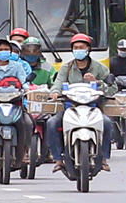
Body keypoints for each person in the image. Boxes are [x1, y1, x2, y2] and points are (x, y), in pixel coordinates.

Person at [49, 33, 115, 173]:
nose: (78, 50)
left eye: (82, 47)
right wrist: (55, 92)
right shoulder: (66, 68)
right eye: (76, 47)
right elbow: (57, 84)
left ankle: (103, 158)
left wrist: (97, 82)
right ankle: (58, 159)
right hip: (70, 108)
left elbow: (112, 89)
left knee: (107, 123)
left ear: (88, 49)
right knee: (52, 123)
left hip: (93, 108)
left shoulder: (99, 68)